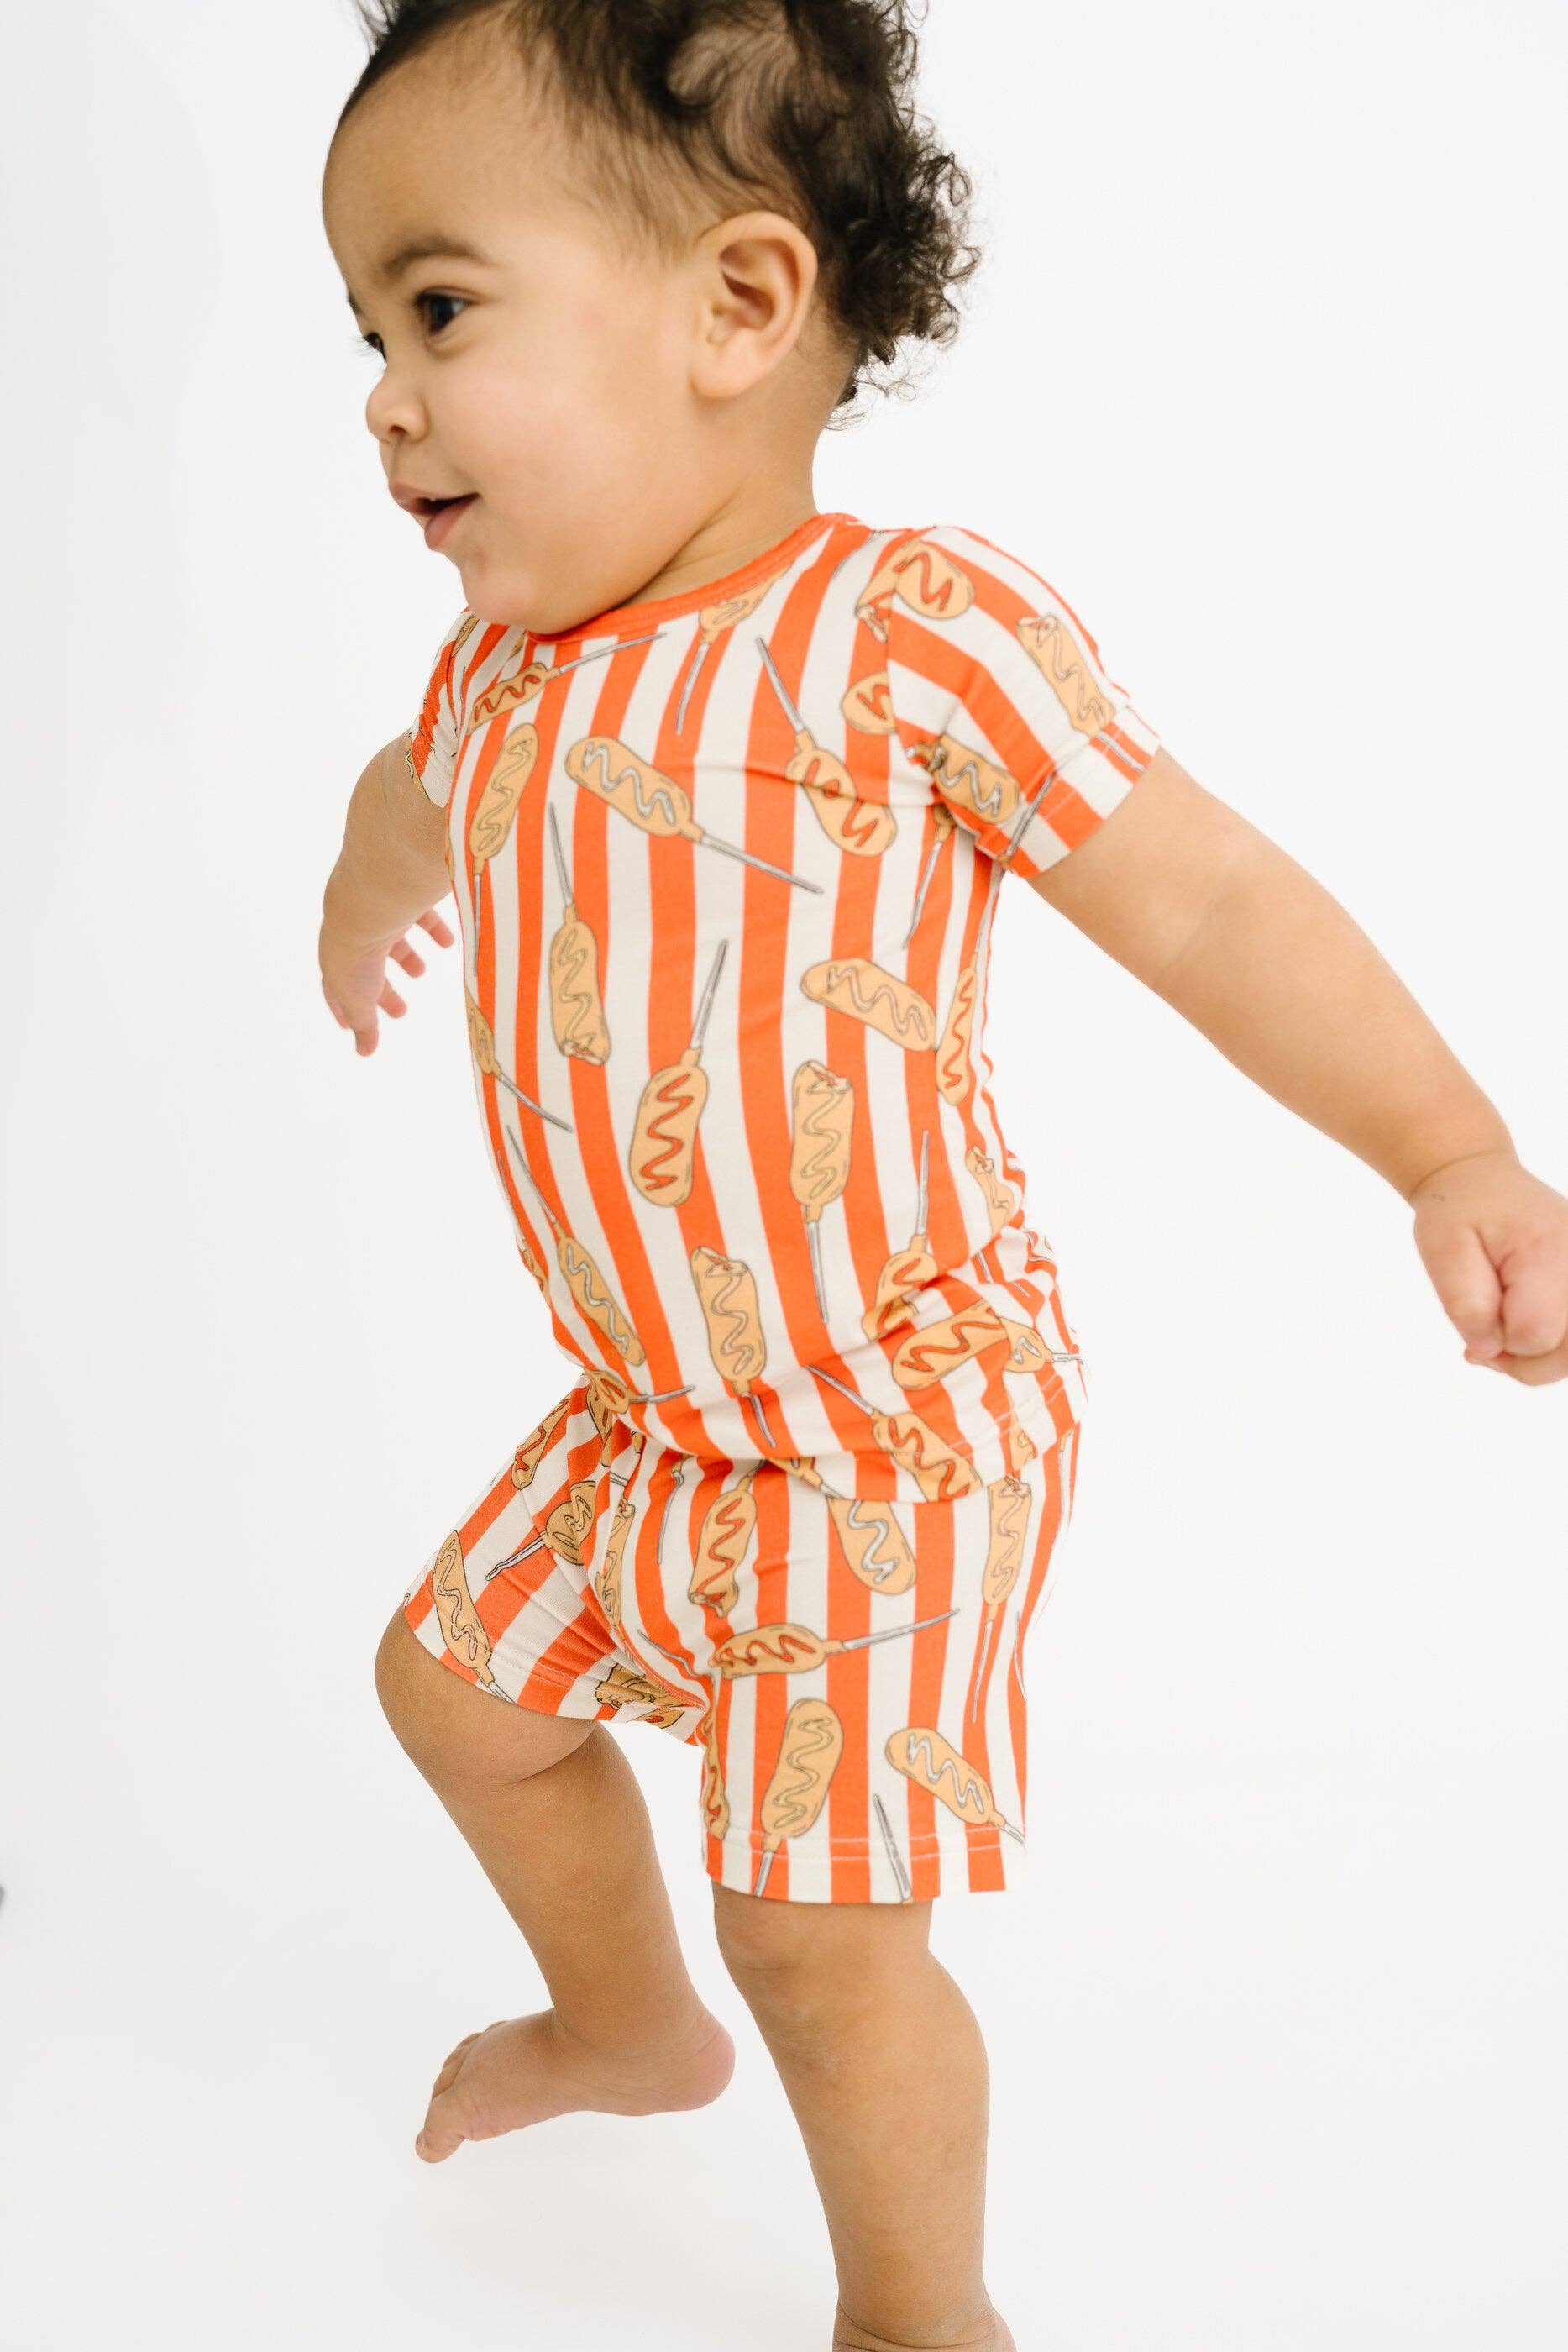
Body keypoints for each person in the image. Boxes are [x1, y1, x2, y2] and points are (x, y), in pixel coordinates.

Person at [315, 5, 1568, 2347]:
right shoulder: (501, 672)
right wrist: (359, 884)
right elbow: (414, 792)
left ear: (738, 305)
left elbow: (1204, 899)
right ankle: (626, 2028)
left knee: (814, 1927)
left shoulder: (898, 640)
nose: (384, 396)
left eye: (442, 309)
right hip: (659, 1413)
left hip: (895, 1414)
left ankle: (919, 2314)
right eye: (369, 332)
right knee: (456, 1692)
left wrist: (1451, 1149)